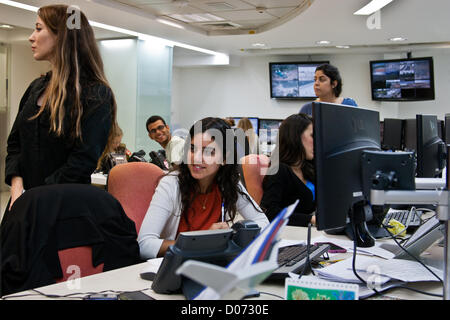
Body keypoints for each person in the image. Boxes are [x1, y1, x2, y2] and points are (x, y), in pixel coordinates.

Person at [5, 5, 117, 211]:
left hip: (62, 208)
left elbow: (81, 162)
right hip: (23, 206)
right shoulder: (35, 88)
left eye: (39, 29)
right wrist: (17, 188)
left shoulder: (96, 95)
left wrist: (34, 197)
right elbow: (15, 145)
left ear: (62, 37)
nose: (31, 37)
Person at [138, 117, 269, 259]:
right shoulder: (171, 184)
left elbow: (263, 224)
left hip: (212, 267)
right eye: (193, 149)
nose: (197, 158)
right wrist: (202, 242)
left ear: (225, 158)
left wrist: (231, 237)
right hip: (174, 270)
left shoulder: (228, 183)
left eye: (209, 152)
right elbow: (144, 245)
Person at [260, 113, 316, 227]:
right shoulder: (279, 170)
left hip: (312, 233)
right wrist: (310, 219)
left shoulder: (309, 167)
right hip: (292, 235)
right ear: (296, 137)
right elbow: (270, 213)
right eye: (313, 136)